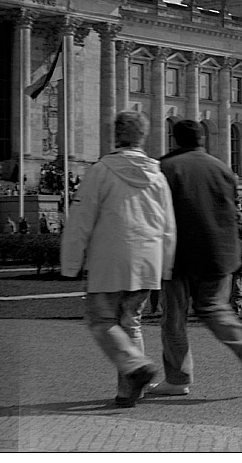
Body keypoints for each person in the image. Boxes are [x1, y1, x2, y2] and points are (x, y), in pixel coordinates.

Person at [60, 111, 176, 407]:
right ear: (143, 138)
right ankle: (128, 391)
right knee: (131, 323)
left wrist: (70, 262)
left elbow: (81, 220)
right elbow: (168, 225)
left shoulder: (101, 170)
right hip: (146, 259)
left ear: (116, 136)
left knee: (101, 320)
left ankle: (136, 367)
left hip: (110, 258)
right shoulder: (157, 175)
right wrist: (166, 265)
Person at [153, 119, 242, 397]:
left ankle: (178, 378)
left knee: (174, 318)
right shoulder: (222, 169)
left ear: (175, 139)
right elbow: (234, 213)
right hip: (221, 252)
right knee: (214, 308)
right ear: (202, 139)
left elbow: (157, 215)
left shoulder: (165, 168)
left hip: (179, 253)